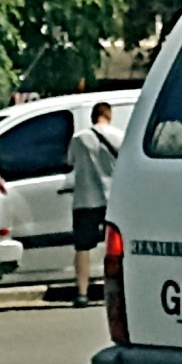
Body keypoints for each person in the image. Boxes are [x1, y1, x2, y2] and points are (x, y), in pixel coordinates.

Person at [69, 101, 123, 307]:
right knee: (116, 247)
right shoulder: (119, 137)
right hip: (112, 200)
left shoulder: (79, 139)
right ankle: (115, 290)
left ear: (93, 117)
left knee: (83, 247)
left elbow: (70, 162)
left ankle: (82, 293)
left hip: (85, 200)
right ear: (109, 116)